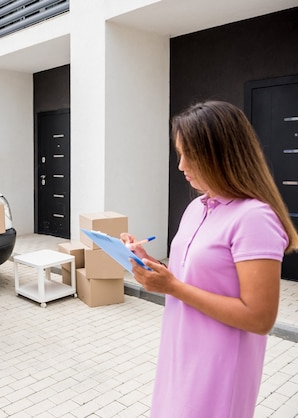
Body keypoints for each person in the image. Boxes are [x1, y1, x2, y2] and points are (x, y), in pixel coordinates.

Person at [122, 101, 298, 418]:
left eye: (189, 154)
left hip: (219, 368)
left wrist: (172, 286)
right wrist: (151, 264)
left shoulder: (254, 218)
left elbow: (260, 318)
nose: (181, 165)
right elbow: (189, 277)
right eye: (179, 153)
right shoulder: (197, 208)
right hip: (180, 352)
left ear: (221, 154)